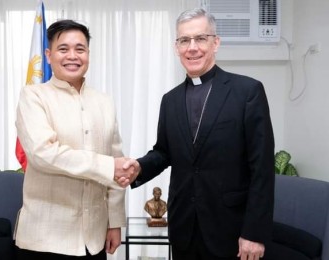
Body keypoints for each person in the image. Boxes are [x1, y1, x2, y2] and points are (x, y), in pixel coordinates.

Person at [120, 8, 275, 260]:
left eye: (200, 38)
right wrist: (138, 167)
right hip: (184, 228)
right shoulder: (169, 101)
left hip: (231, 232)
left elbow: (262, 170)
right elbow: (164, 152)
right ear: (176, 47)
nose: (192, 47)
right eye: (184, 40)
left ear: (216, 43)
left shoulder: (247, 92)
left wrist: (254, 233)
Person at [14, 19, 133, 260]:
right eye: (63, 49)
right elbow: (43, 154)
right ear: (48, 55)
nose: (72, 56)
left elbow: (116, 159)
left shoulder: (104, 102)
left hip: (94, 239)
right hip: (45, 240)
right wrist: (109, 166)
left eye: (80, 49)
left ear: (88, 54)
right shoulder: (33, 96)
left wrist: (115, 222)